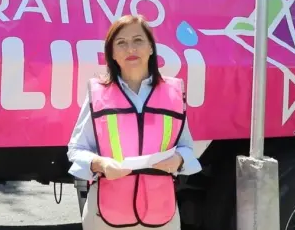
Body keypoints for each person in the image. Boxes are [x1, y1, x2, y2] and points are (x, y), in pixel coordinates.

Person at [67, 15, 202, 229]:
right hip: (105, 212)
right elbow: (76, 149)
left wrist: (178, 160)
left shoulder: (173, 92)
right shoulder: (98, 93)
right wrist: (100, 164)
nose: (131, 48)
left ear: (151, 48)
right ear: (111, 53)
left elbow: (187, 147)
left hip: (161, 211)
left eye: (138, 40)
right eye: (121, 43)